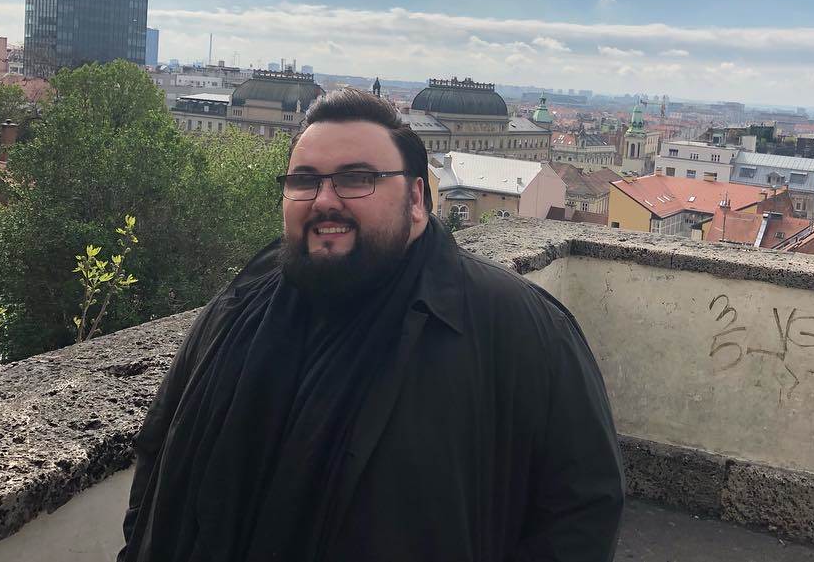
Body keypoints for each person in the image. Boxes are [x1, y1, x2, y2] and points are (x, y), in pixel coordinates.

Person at [118, 88, 625, 562]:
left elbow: (581, 508)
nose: (324, 199)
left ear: (417, 201)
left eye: (357, 178)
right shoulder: (238, 306)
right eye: (305, 180)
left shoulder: (519, 326)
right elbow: (158, 451)